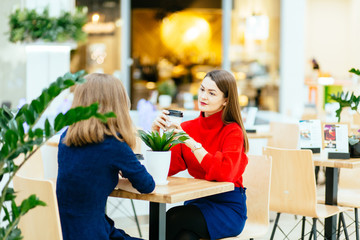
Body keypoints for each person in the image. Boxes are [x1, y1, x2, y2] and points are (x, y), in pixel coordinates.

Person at [152, 69, 249, 240]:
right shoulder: (188, 128)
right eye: (202, 89)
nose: (203, 97)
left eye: (212, 93)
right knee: (184, 236)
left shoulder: (233, 131)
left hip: (227, 207)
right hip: (197, 202)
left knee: (173, 217)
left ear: (226, 100)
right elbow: (167, 169)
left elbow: (224, 173)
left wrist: (190, 142)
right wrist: (157, 134)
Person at [56, 73, 155, 240]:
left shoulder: (66, 137)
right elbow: (147, 185)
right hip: (94, 234)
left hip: (65, 232)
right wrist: (130, 161)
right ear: (117, 105)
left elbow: (90, 176)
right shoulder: (113, 144)